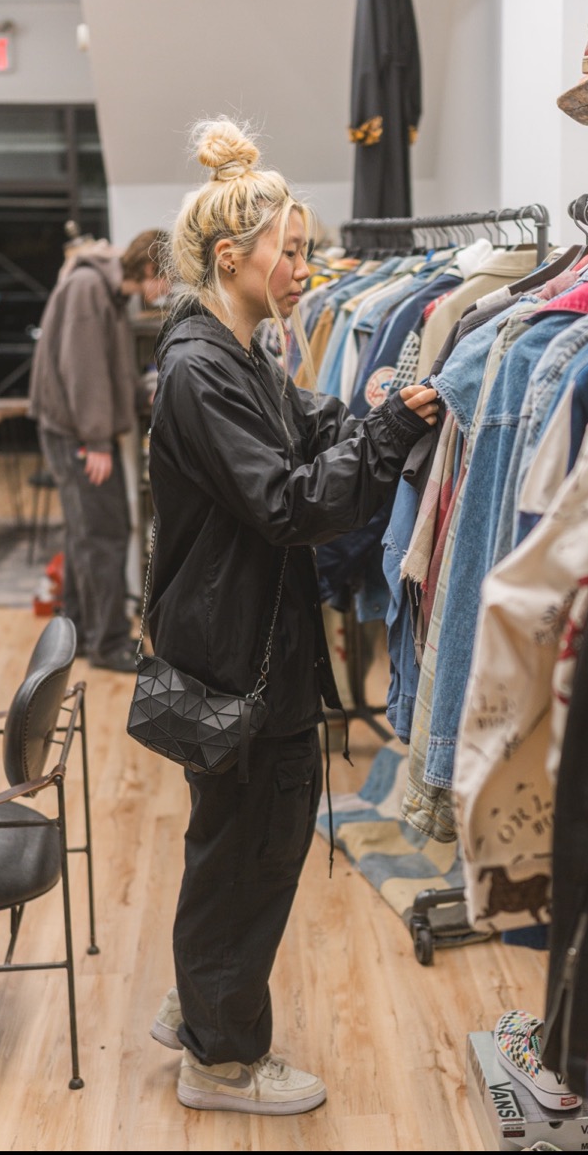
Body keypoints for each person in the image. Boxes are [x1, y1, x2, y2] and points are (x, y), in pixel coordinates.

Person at [143, 117, 438, 1116]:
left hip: (239, 643)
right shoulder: (199, 371)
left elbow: (308, 424)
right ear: (235, 258)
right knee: (254, 848)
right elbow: (287, 504)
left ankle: (202, 1007)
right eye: (293, 251)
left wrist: (378, 408)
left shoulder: (232, 355)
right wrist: (393, 428)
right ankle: (219, 1059)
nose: (306, 267)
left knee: (232, 842)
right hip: (236, 658)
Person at [28, 227, 171, 672]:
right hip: (77, 435)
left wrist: (144, 393)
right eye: (169, 277)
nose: (167, 290)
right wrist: (95, 440)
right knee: (105, 535)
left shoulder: (105, 290)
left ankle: (82, 635)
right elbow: (83, 369)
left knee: (86, 536)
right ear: (150, 268)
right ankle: (108, 645)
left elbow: (110, 366)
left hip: (75, 431)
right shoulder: (89, 287)